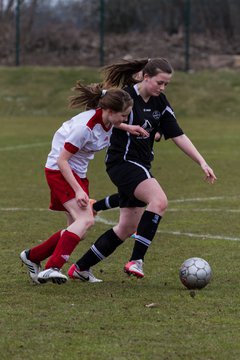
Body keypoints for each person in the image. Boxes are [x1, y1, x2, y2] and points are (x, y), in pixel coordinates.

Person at [68, 57, 217, 281]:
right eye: (159, 82)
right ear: (146, 77)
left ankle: (80, 268)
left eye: (166, 84)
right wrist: (125, 126)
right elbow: (105, 116)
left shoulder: (160, 103)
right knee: (159, 200)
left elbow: (178, 135)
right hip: (122, 162)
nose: (163, 87)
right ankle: (136, 260)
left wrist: (202, 162)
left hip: (141, 164)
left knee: (127, 227)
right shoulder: (126, 97)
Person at [20, 81, 149, 285]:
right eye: (124, 115)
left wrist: (128, 127)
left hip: (77, 173)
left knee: (77, 230)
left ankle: (32, 256)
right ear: (109, 110)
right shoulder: (85, 128)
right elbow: (62, 160)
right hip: (60, 171)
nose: (125, 118)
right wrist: (79, 191)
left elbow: (112, 124)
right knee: (86, 220)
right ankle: (52, 268)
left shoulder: (108, 121)